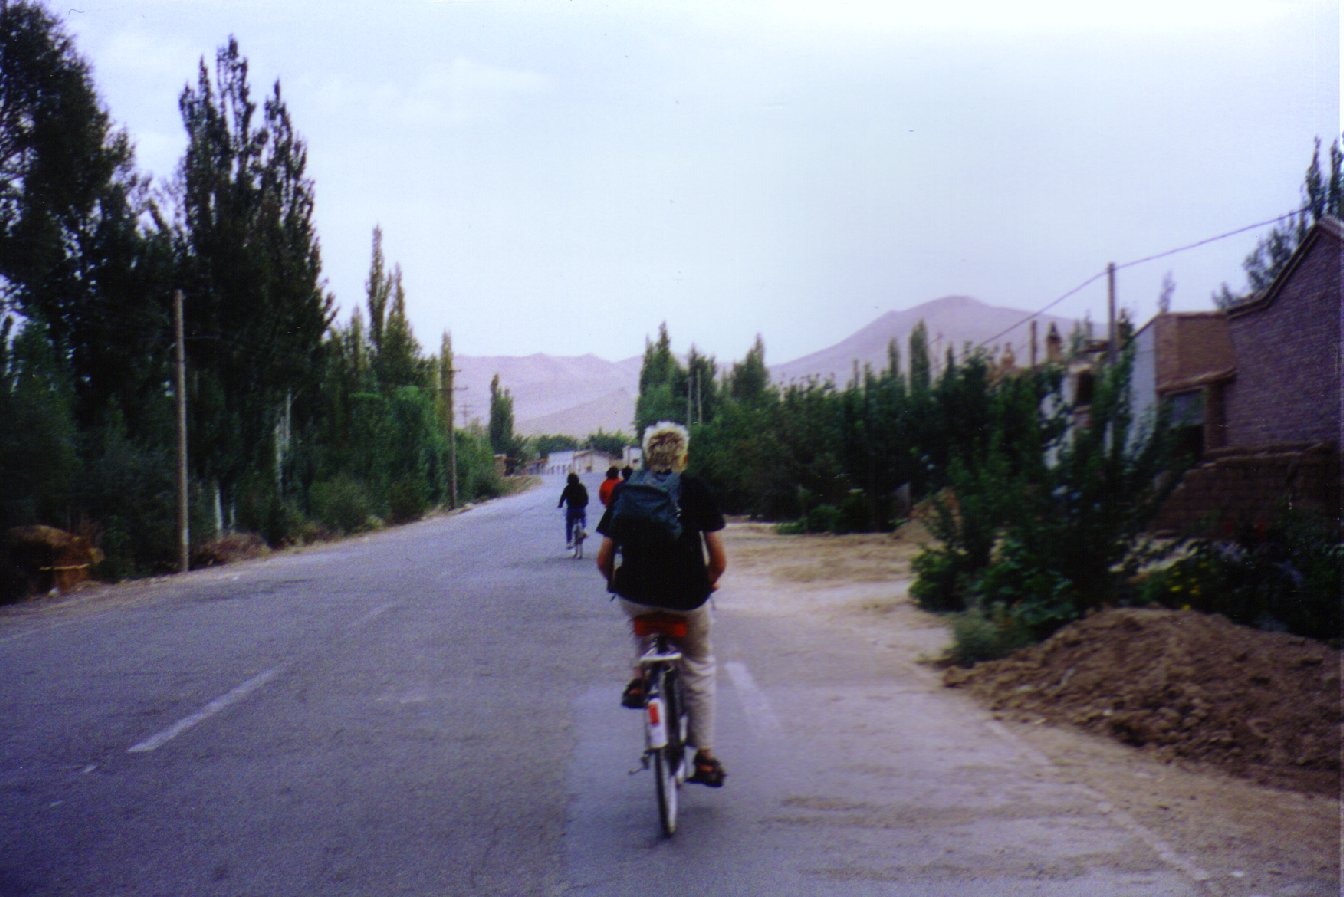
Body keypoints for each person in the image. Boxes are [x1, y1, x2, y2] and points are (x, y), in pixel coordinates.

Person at [595, 421, 728, 787]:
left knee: (640, 617)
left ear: (646, 456)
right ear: (683, 457)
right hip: (687, 597)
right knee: (698, 665)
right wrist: (708, 581)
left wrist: (615, 583)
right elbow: (718, 560)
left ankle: (640, 679)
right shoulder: (696, 489)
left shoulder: (626, 490)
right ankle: (704, 757)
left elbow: (604, 558)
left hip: (636, 596)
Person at [557, 473, 589, 549]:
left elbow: (563, 497)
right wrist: (585, 504)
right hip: (580, 508)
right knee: (583, 517)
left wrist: (560, 504)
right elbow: (586, 497)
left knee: (569, 524)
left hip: (571, 509)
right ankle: (583, 529)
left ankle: (569, 542)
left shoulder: (567, 488)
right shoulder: (582, 487)